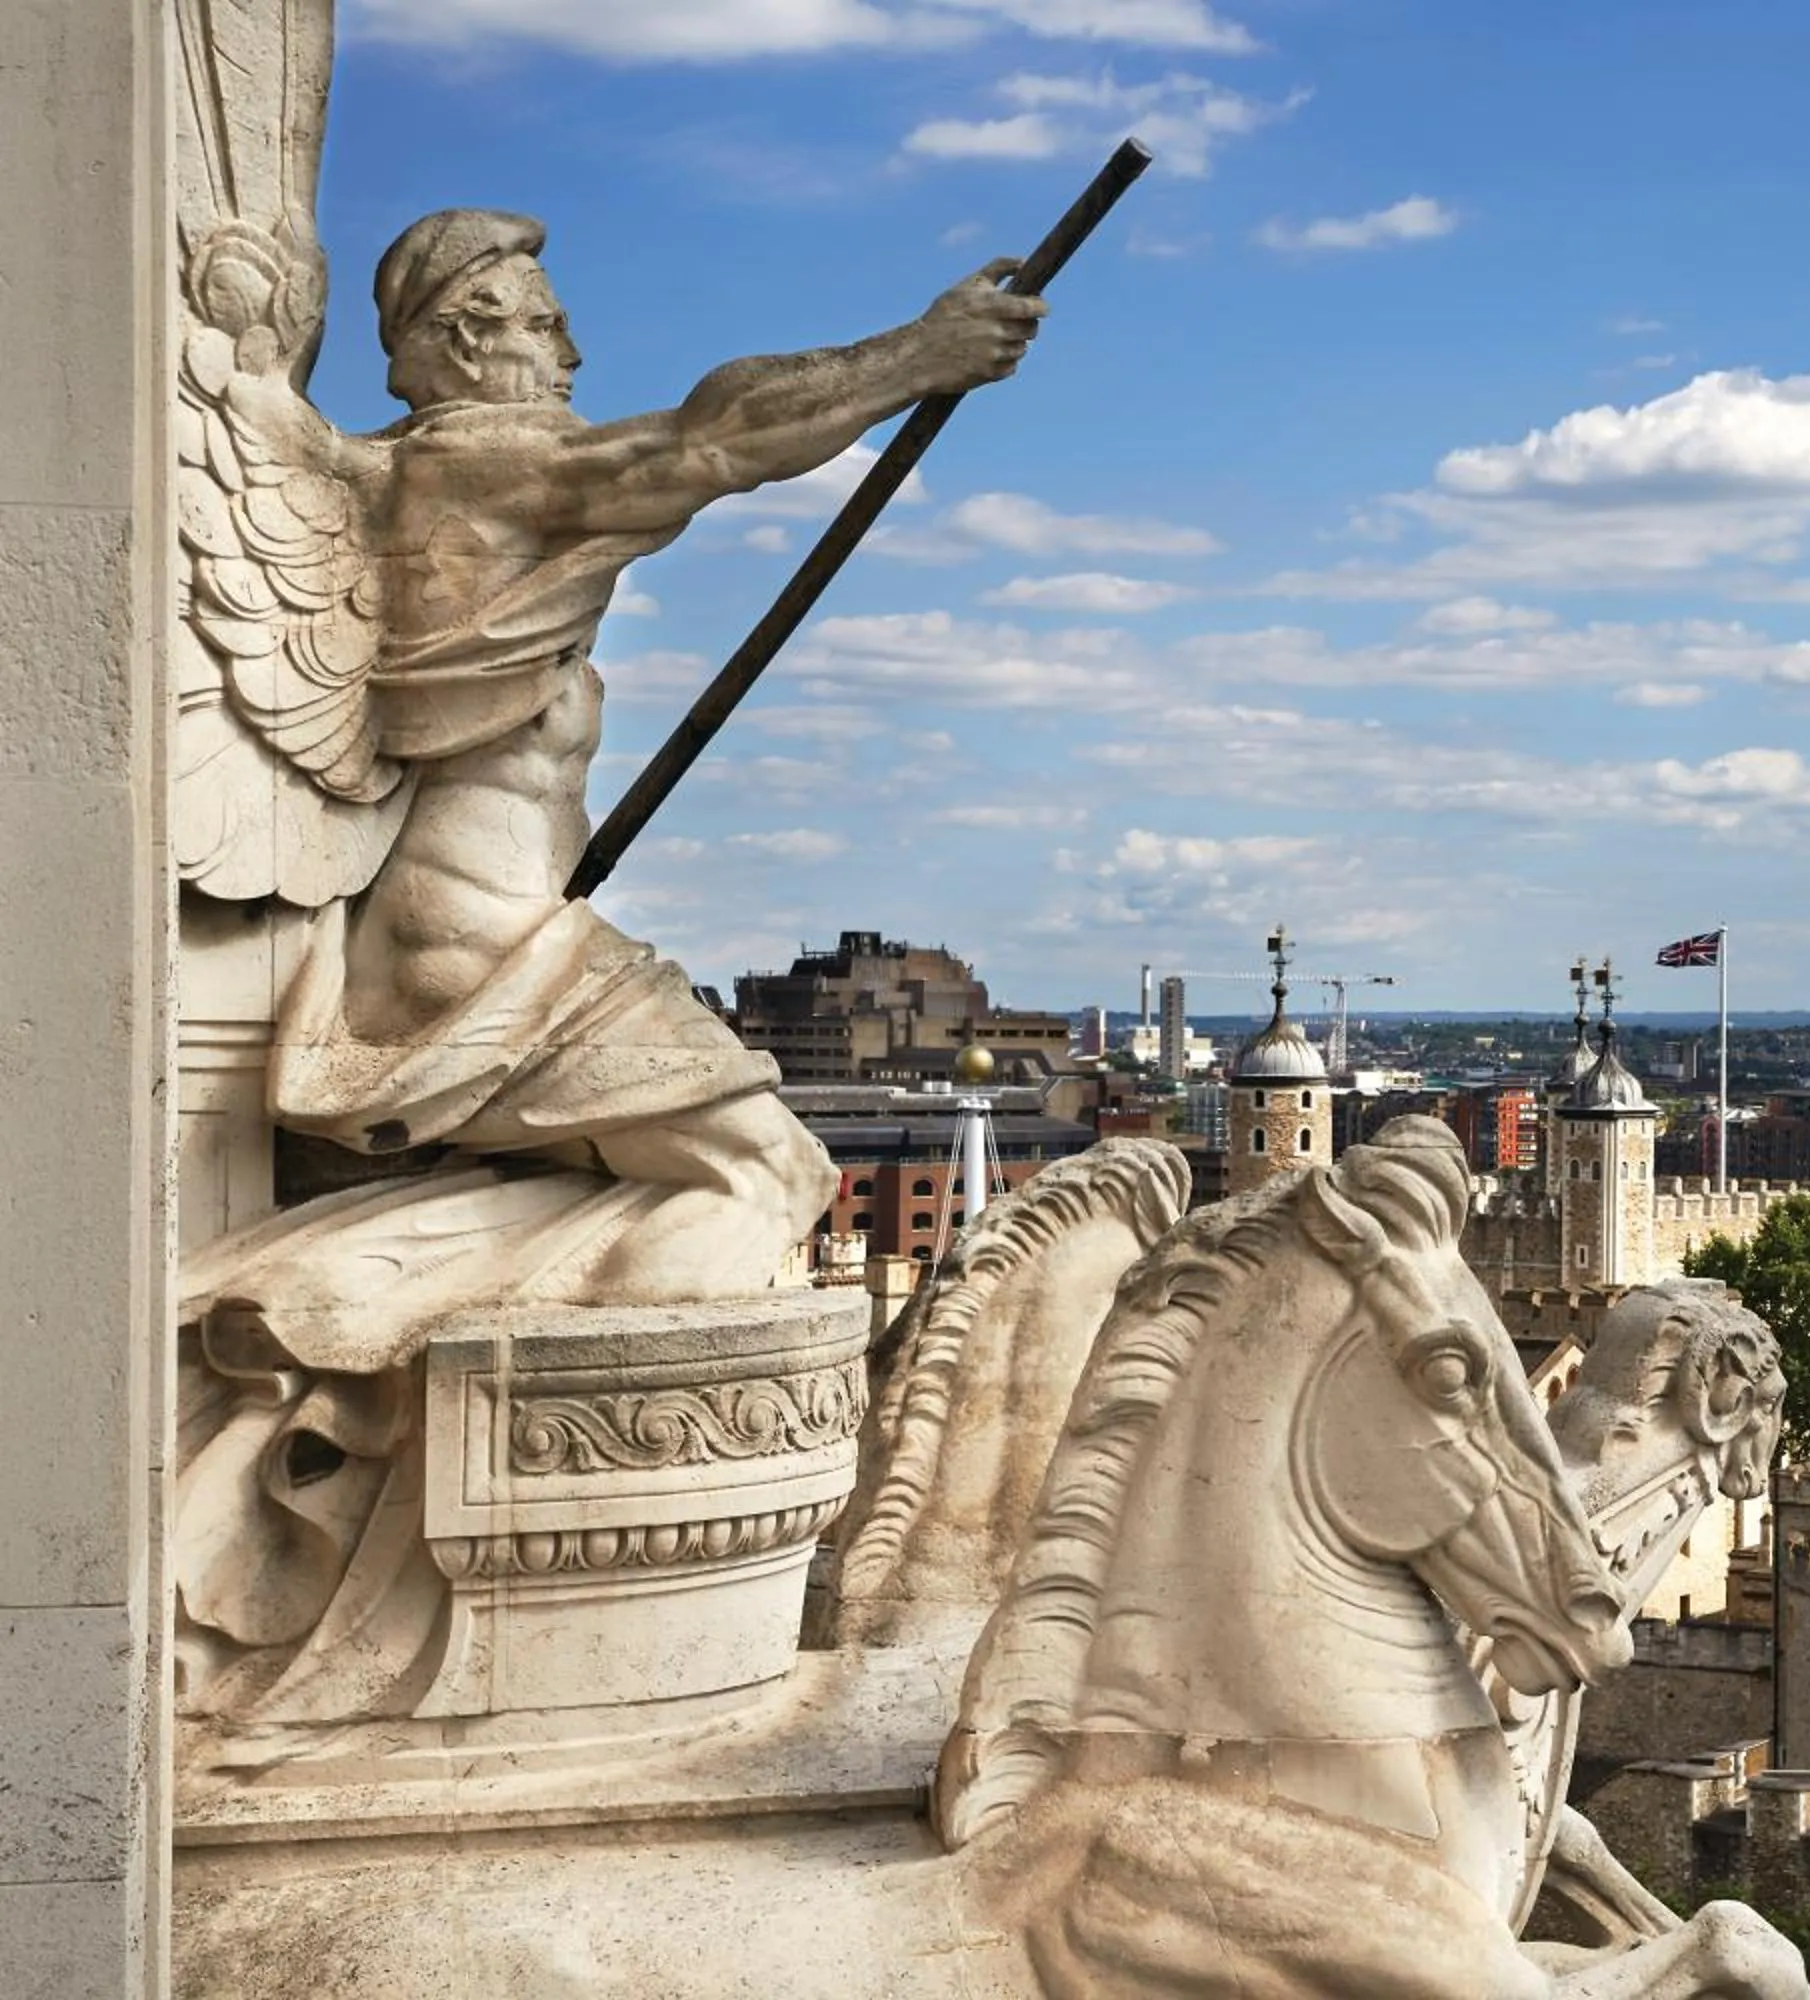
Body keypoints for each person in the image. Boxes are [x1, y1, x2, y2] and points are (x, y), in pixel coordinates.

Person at [176, 210, 1047, 1722]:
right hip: (481, 957)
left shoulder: (421, 488)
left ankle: (392, 1333)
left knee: (744, 1178)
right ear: (460, 344)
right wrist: (918, 354)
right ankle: (419, 1388)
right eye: (539, 318)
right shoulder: (468, 468)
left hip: (495, 936)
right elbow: (708, 440)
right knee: (767, 1174)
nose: (570, 347)